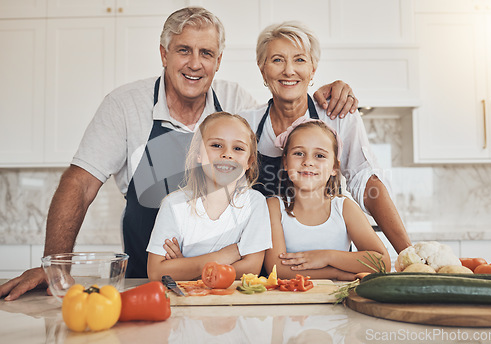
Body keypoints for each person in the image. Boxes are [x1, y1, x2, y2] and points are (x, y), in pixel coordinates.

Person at [0, 7, 356, 300]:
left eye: (206, 53)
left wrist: (318, 93)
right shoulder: (125, 107)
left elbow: (286, 121)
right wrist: (55, 266)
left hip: (229, 292)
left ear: (218, 60)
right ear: (164, 54)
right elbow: (79, 184)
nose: (195, 64)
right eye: (184, 50)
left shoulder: (238, 105)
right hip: (147, 285)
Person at [240, 21, 411, 274]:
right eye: (277, 60)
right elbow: (226, 190)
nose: (289, 71)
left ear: (313, 69)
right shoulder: (245, 124)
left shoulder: (337, 114)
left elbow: (366, 181)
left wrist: (410, 256)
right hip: (263, 266)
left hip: (331, 267)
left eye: (299, 60)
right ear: (262, 70)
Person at [147, 112, 271, 281]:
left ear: (249, 162)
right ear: (199, 154)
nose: (227, 154)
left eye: (238, 148)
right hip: (185, 302)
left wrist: (186, 267)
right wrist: (226, 255)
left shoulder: (255, 203)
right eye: (216, 145)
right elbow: (156, 272)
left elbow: (251, 269)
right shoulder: (173, 205)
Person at [264, 119, 391, 279]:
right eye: (298, 153)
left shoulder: (344, 208)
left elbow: (382, 262)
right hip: (291, 301)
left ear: (334, 168)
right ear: (285, 162)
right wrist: (336, 273)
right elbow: (277, 269)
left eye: (319, 155)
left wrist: (326, 257)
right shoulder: (274, 207)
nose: (308, 162)